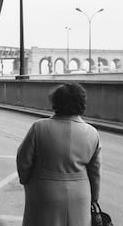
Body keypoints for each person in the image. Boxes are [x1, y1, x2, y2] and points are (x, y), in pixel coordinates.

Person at [16, 82, 101, 226]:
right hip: (80, 196)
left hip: (44, 192)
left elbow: (23, 161)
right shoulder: (92, 133)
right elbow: (95, 173)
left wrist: (26, 181)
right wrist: (93, 198)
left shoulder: (39, 127)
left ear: (56, 102)